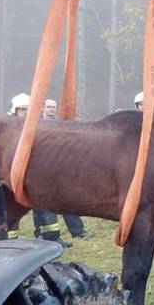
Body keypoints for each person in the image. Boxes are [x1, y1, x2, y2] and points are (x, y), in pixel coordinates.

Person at [7, 94, 71, 248]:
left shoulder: (37, 125)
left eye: (28, 110)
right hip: (12, 174)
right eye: (22, 110)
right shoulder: (8, 128)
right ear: (14, 110)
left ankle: (51, 238)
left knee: (45, 206)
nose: (25, 113)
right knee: (9, 208)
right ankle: (8, 240)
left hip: (35, 173)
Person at [40, 98, 90, 240]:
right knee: (44, 206)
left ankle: (77, 231)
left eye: (54, 107)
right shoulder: (35, 124)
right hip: (42, 170)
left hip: (60, 170)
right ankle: (47, 236)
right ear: (42, 108)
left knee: (69, 201)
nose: (51, 110)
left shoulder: (60, 124)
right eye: (49, 107)